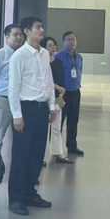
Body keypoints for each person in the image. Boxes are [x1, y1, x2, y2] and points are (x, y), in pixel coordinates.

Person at [7, 16, 58, 216]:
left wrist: (52, 106)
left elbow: (49, 81)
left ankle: (29, 193)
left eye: (42, 27)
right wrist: (17, 115)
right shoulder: (19, 56)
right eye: (37, 27)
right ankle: (16, 198)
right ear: (27, 31)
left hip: (42, 108)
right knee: (21, 156)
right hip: (25, 109)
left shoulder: (44, 53)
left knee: (37, 155)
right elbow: (13, 88)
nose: (41, 30)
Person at [0, 24, 24, 154]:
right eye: (15, 35)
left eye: (20, 35)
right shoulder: (0, 55)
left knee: (20, 135)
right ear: (7, 37)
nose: (19, 37)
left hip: (20, 101)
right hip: (3, 101)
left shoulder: (23, 55)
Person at [43, 37, 73, 165]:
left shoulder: (58, 62)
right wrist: (57, 88)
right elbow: (44, 81)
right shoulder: (41, 62)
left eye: (54, 45)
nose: (53, 47)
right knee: (43, 129)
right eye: (49, 45)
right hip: (45, 98)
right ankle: (40, 156)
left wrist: (60, 95)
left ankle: (58, 153)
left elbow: (61, 80)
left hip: (57, 98)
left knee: (56, 128)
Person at [55, 32, 84, 156]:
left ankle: (72, 146)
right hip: (63, 93)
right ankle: (56, 149)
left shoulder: (79, 57)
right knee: (59, 122)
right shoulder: (58, 57)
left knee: (73, 121)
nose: (71, 42)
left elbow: (80, 72)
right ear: (63, 42)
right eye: (68, 40)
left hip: (75, 92)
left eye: (73, 39)